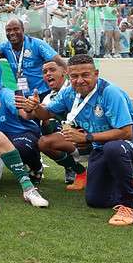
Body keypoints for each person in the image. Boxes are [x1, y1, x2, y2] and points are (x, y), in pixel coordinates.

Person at [18, 54, 133, 225]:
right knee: (97, 199)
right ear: (68, 76)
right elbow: (47, 113)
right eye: (74, 76)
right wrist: (36, 108)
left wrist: (87, 137)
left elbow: (126, 132)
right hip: (102, 145)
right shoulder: (69, 94)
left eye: (85, 75)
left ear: (96, 74)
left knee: (114, 148)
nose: (80, 80)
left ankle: (129, 208)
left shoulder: (110, 92)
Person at [35, 60, 88, 189]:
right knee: (44, 142)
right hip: (74, 140)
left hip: (95, 137)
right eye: (45, 72)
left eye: (52, 70)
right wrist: (37, 110)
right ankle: (79, 171)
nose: (48, 74)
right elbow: (48, 132)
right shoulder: (48, 98)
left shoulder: (79, 87)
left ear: (65, 72)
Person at [0, 19, 65, 96]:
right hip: (23, 94)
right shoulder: (5, 47)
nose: (12, 33)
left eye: (16, 29)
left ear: (23, 30)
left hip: (43, 92)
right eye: (8, 30)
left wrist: (68, 84)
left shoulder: (36, 44)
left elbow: (59, 61)